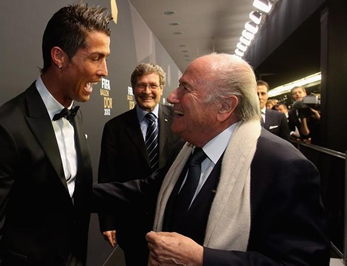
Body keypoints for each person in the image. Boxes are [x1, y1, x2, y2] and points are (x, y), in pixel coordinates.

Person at [93, 53, 329, 265]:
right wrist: (70, 194)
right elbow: (145, 190)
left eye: (185, 88)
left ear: (224, 106)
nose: (172, 97)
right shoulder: (188, 151)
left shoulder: (284, 168)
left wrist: (202, 259)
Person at [0, 3, 112, 266]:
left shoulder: (75, 114)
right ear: (59, 57)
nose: (104, 71)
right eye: (95, 58)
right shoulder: (2, 129)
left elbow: (73, 195)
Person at [97, 63, 182, 265]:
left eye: (153, 85)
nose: (147, 91)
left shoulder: (180, 121)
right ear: (133, 89)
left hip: (173, 218)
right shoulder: (115, 128)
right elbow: (107, 176)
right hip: (132, 222)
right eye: (141, 86)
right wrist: (107, 221)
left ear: (161, 88)